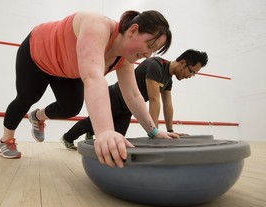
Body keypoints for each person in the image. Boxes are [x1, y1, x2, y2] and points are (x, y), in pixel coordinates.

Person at [0, 10, 177, 168]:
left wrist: (153, 132)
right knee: (27, 98)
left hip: (66, 69)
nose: (148, 55)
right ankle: (6, 141)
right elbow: (93, 78)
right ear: (133, 30)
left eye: (154, 51)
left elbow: (132, 94)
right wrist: (105, 131)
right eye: (150, 45)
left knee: (71, 107)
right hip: (37, 54)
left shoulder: (124, 59)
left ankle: (37, 117)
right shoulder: (97, 25)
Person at [61, 49, 208, 150]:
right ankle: (67, 137)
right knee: (91, 121)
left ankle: (91, 133)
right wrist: (155, 132)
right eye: (192, 72)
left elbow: (167, 104)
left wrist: (170, 130)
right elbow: (154, 99)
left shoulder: (168, 79)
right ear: (183, 63)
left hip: (128, 107)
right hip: (115, 97)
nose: (190, 76)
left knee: (118, 138)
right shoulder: (155, 65)